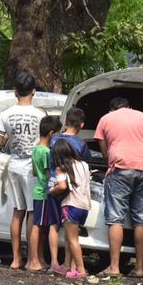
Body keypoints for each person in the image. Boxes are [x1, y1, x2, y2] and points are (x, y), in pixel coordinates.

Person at [94, 97, 143, 278]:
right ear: (130, 107)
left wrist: (110, 163)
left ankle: (114, 267)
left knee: (116, 218)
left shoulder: (106, 119)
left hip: (121, 168)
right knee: (142, 219)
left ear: (111, 109)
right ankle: (139, 269)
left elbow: (104, 148)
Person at [0, 71, 45, 270]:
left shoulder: (5, 114)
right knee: (32, 213)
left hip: (14, 163)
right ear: (34, 91)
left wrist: (9, 142)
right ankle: (33, 260)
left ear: (15, 92)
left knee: (18, 212)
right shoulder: (40, 114)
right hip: (32, 167)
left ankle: (16, 259)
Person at [48, 107, 92, 275]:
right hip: (78, 196)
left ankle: (56, 263)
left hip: (56, 185)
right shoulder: (81, 145)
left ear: (65, 121)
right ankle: (69, 264)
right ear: (81, 125)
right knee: (72, 234)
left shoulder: (54, 140)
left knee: (55, 226)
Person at [29, 116, 62, 272]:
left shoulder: (35, 149)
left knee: (40, 227)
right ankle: (34, 260)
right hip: (43, 193)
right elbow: (49, 174)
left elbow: (35, 172)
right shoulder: (46, 152)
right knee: (38, 227)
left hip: (38, 190)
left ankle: (38, 259)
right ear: (51, 133)